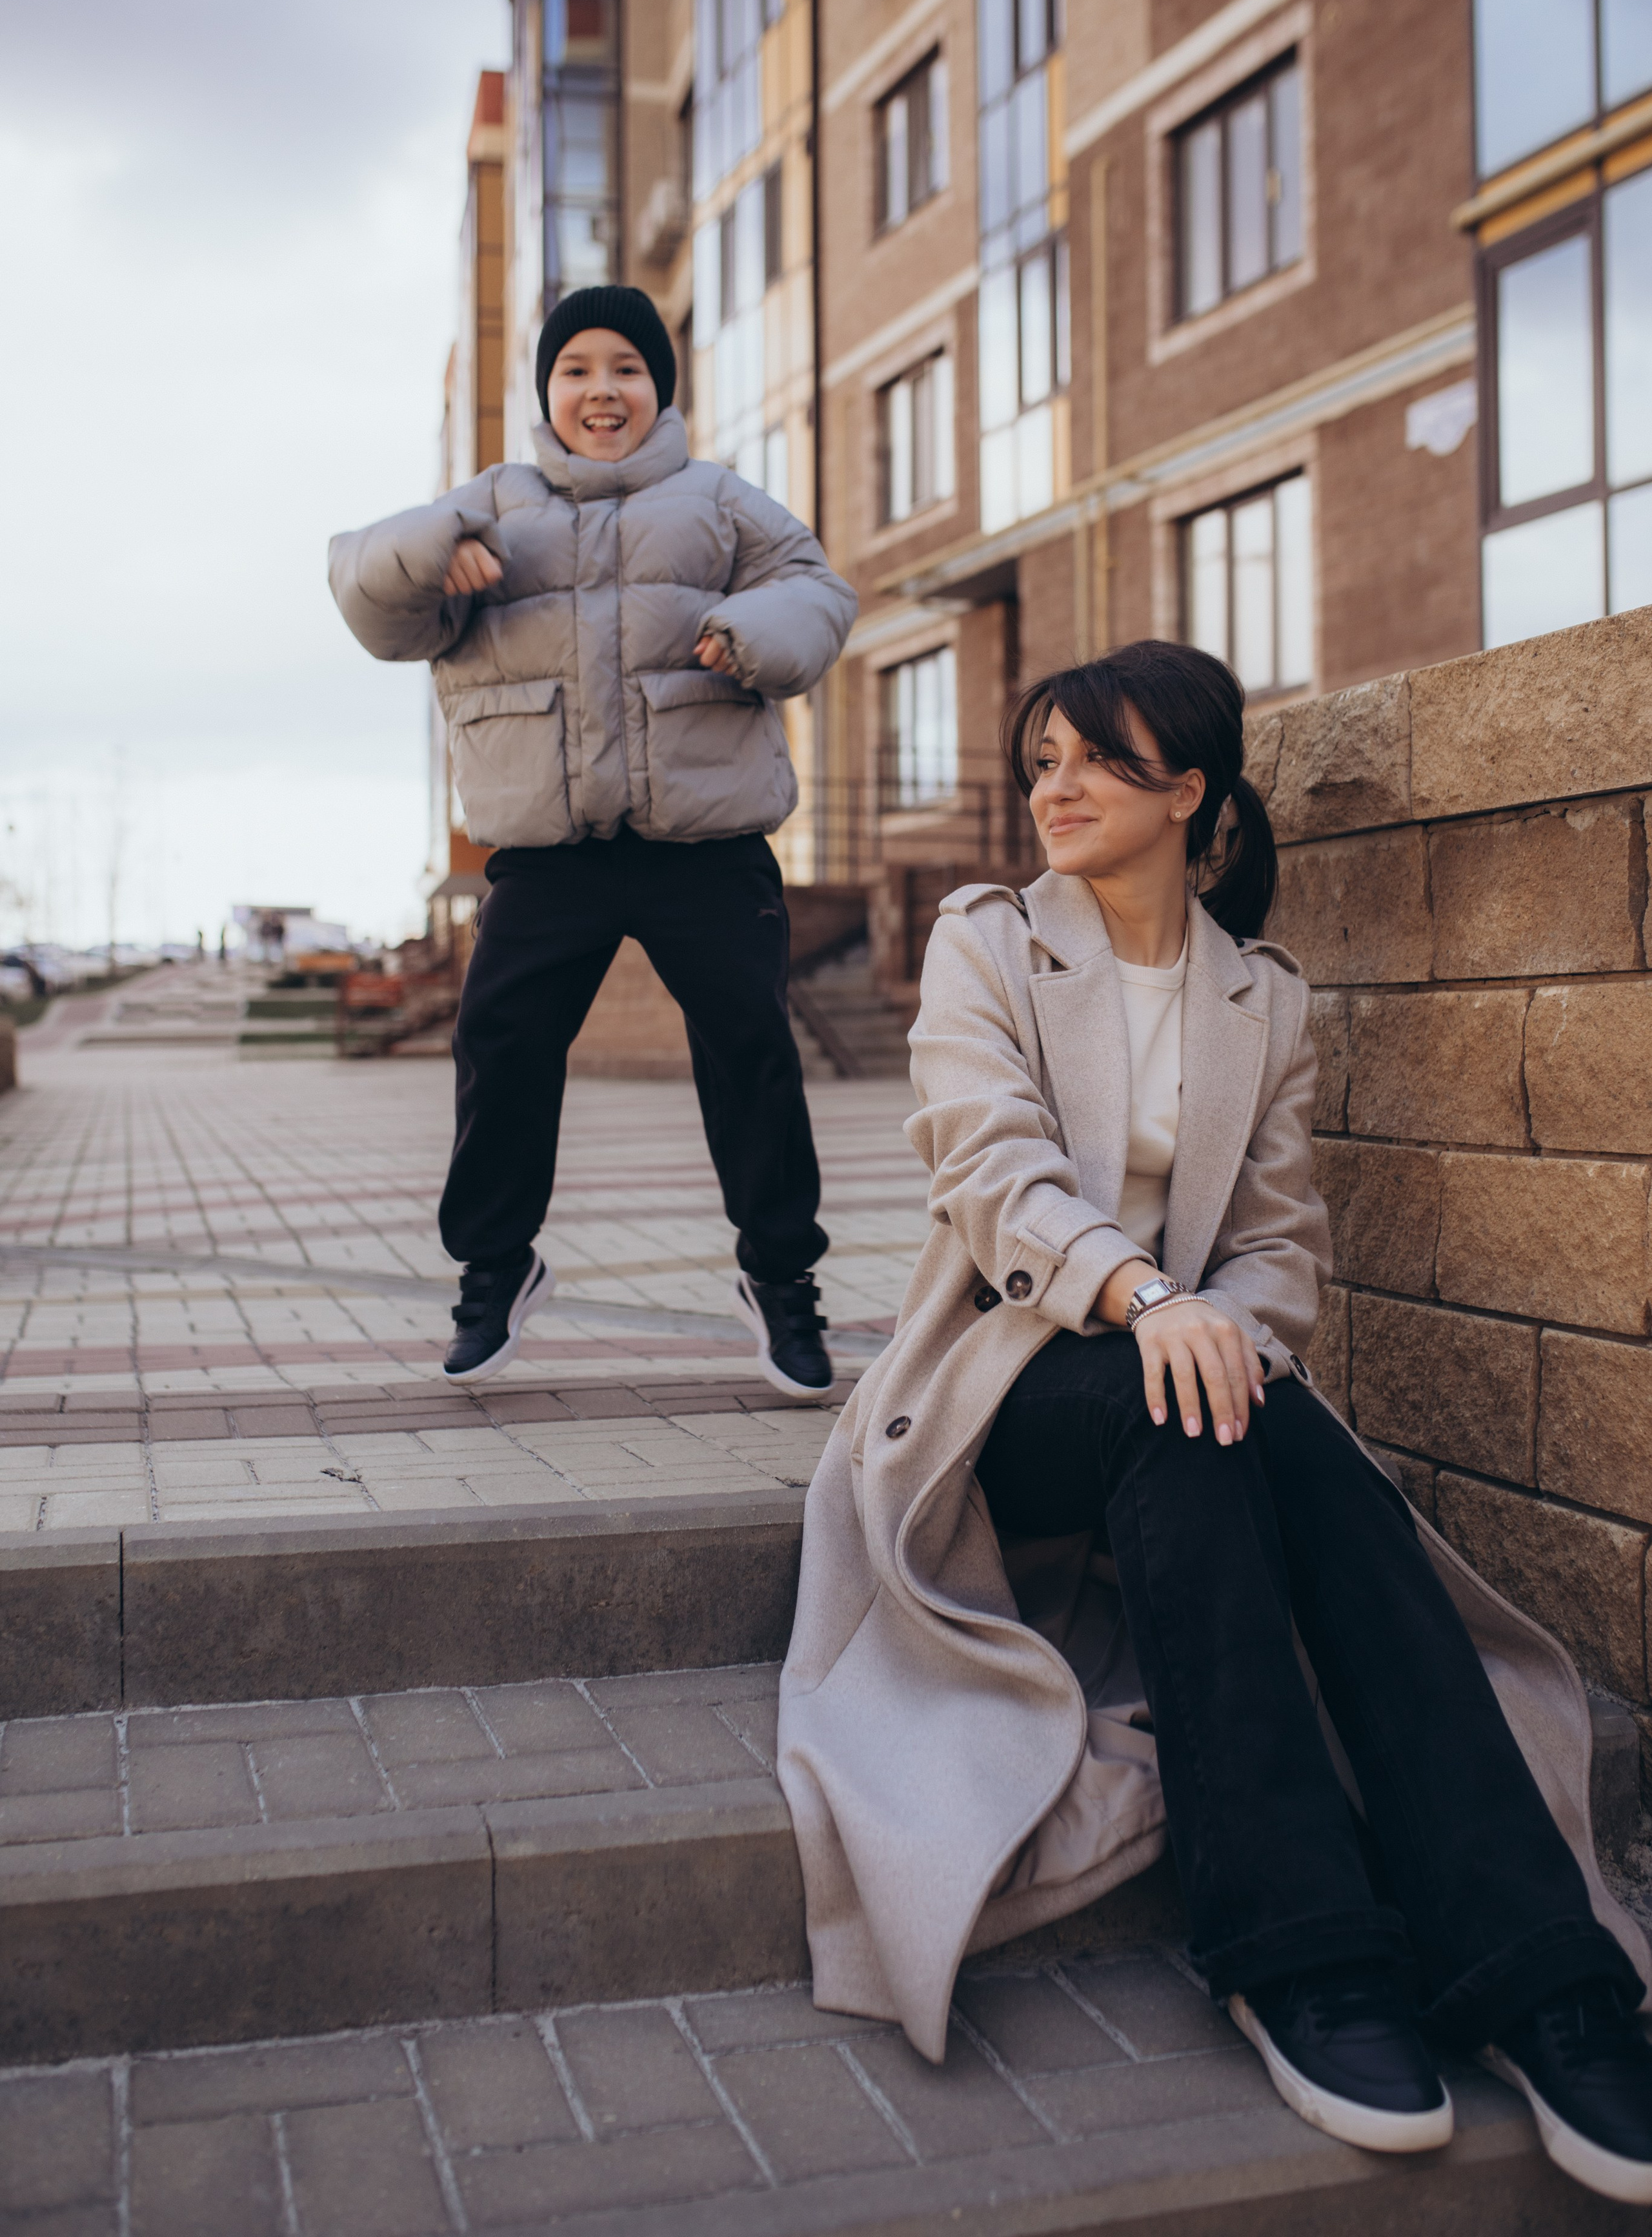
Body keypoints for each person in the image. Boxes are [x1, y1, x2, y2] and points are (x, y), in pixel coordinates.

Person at [778, 640, 1652, 2205]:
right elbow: (988, 1174)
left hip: (1182, 1389)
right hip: (1005, 1378)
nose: (1050, 787)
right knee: (1179, 1411)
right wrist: (1139, 1299)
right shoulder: (987, 943)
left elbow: (1274, 1241)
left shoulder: (1262, 994)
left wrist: (1218, 1336)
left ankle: (1538, 1975)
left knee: (1223, 1422)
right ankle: (1299, 1954)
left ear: (1187, 789)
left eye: (1090, 760)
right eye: (1038, 758)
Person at [329, 285, 854, 1397]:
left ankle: (779, 1280)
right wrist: (435, 552)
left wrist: (750, 631)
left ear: (659, 387)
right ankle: (494, 1270)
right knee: (500, 1046)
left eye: (626, 367)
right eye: (577, 369)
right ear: (547, 391)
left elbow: (817, 592)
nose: (602, 390)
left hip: (703, 846)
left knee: (752, 1053)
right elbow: (364, 591)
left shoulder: (718, 500)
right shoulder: (492, 505)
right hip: (548, 852)